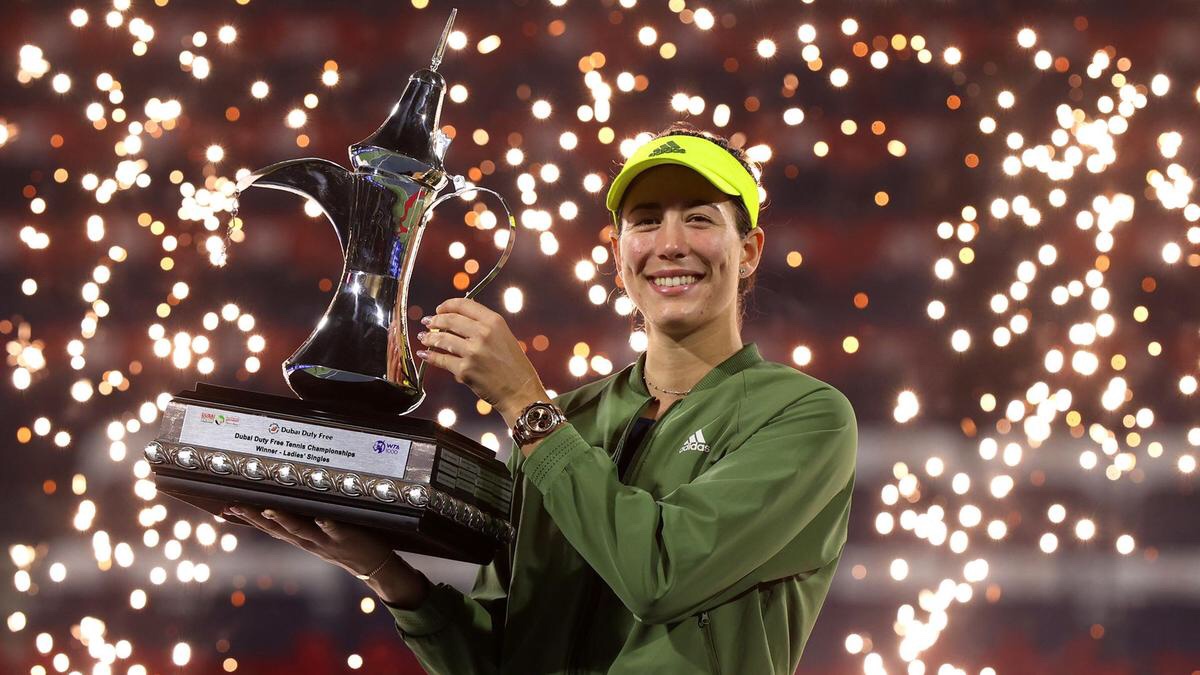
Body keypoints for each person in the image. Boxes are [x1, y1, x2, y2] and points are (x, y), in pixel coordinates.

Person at [229, 123, 858, 674]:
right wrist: (388, 576)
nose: (670, 243)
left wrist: (525, 402)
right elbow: (503, 656)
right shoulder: (567, 421)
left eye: (699, 217)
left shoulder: (804, 417)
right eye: (645, 220)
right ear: (618, 257)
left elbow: (661, 577)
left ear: (748, 251)